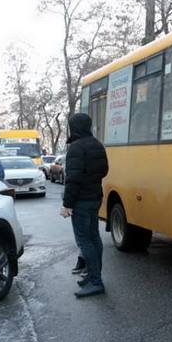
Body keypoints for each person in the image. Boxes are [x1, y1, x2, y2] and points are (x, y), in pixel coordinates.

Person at [60, 113, 109, 298]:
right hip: (95, 198)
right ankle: (93, 276)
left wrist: (67, 204)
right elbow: (104, 171)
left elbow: (73, 179)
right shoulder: (97, 144)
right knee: (94, 237)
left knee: (84, 240)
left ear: (74, 128)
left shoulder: (76, 148)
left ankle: (96, 282)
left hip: (80, 201)